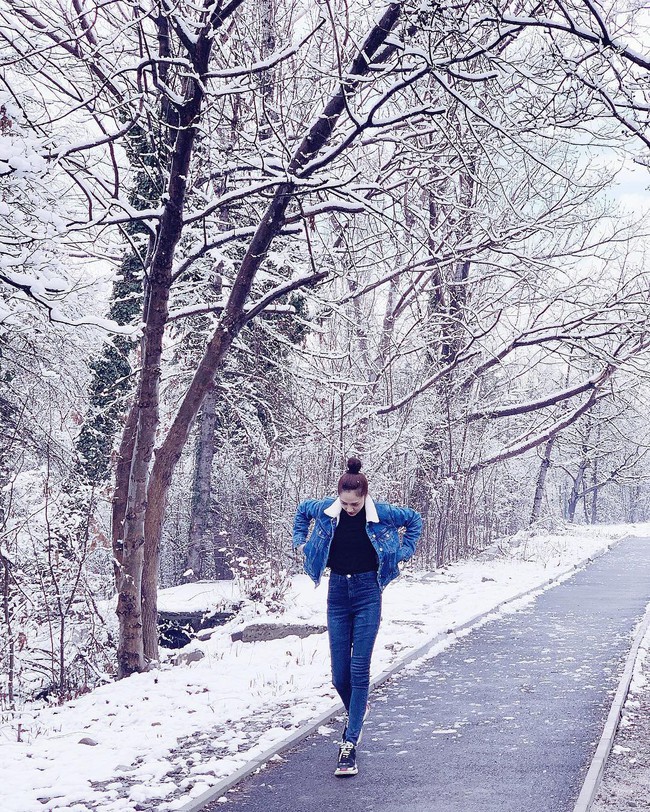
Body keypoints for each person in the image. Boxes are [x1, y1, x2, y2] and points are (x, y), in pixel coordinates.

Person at [292, 457, 422, 777]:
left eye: (355, 503)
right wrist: (301, 543)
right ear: (339, 496)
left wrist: (404, 552)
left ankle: (349, 744)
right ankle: (357, 712)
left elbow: (414, 520)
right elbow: (301, 512)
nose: (350, 509)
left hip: (368, 593)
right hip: (337, 593)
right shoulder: (325, 509)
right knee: (339, 676)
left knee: (359, 668)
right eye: (345, 503)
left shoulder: (383, 514)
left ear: (365, 495)